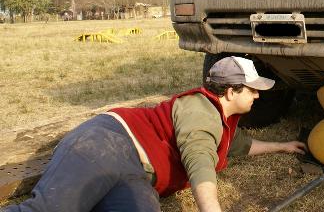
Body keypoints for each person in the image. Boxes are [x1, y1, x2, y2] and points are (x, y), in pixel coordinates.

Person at [3, 56, 306, 212]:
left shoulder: (222, 120)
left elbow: (239, 145)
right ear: (230, 91)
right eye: (253, 90)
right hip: (107, 144)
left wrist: (282, 146)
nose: (257, 96)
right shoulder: (201, 112)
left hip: (139, 174)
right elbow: (199, 160)